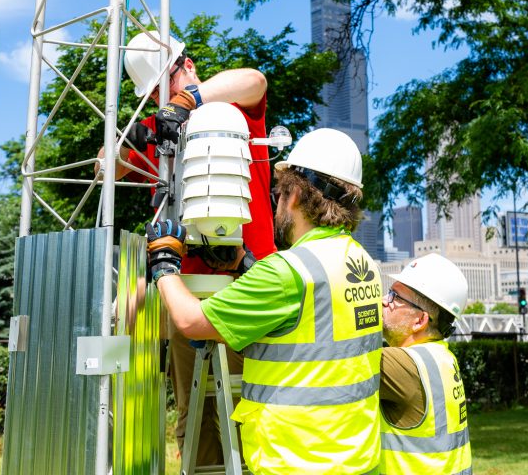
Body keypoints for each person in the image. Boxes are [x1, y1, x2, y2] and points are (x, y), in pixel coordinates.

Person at [145, 128, 383, 474]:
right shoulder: (362, 263)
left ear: (296, 195)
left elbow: (190, 320)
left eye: (279, 194)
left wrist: (164, 264)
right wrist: (245, 266)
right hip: (355, 456)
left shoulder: (287, 272)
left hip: (297, 461)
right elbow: (312, 327)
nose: (276, 204)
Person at [103, 30, 277, 466]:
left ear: (189, 66)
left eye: (168, 87)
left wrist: (189, 102)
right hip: (185, 292)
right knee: (193, 414)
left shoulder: (231, 111)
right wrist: (122, 151)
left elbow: (255, 80)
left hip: (247, 282)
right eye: (155, 95)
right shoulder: (158, 132)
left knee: (248, 411)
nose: (163, 101)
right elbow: (109, 163)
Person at [379, 253, 472, 474]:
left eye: (394, 296)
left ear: (420, 320)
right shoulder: (441, 356)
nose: (384, 300)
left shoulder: (404, 366)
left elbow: (338, 356)